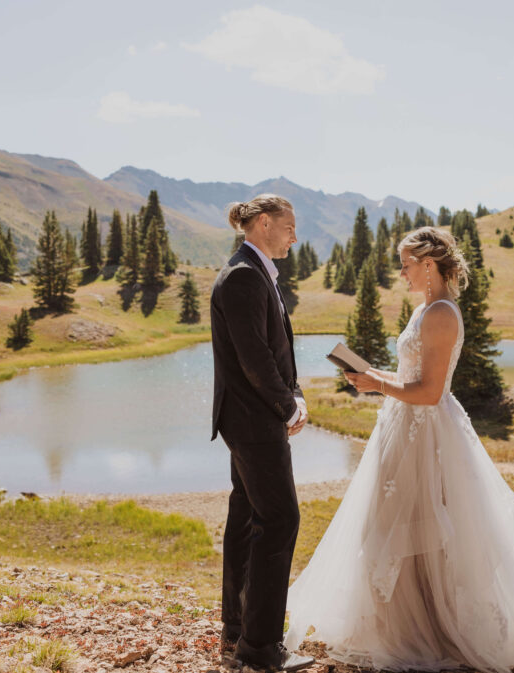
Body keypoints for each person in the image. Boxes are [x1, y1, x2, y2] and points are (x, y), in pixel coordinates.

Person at [283, 226, 514, 672]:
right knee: (394, 525)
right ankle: (402, 625)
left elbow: (431, 392)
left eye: (407, 265)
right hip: (402, 428)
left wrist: (378, 385)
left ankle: (433, 629)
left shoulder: (441, 315)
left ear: (429, 265)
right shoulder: (426, 310)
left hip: (427, 436)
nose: (402, 273)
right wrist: (373, 373)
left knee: (425, 531)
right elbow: (411, 374)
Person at [210, 194, 315, 673]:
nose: (295, 235)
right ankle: (260, 648)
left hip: (250, 420)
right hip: (254, 423)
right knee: (279, 521)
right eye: (290, 227)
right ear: (265, 224)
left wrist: (291, 395)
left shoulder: (253, 273)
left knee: (249, 518)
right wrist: (287, 406)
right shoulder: (244, 277)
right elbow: (255, 361)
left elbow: (273, 352)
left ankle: (238, 629)